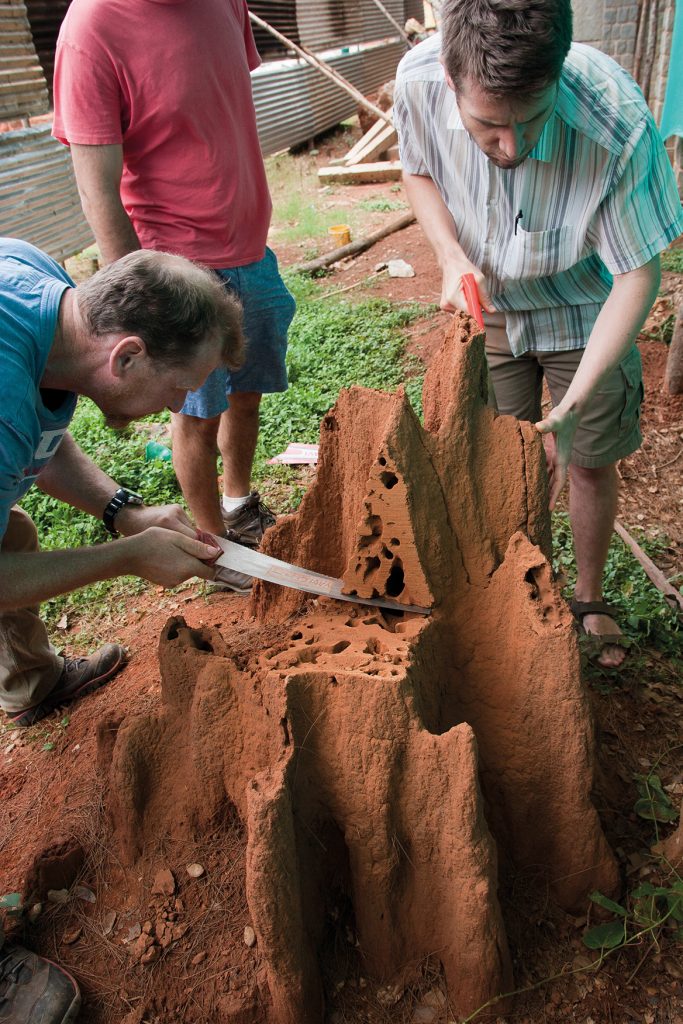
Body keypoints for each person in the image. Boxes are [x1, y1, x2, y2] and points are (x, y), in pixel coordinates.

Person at [394, 0, 683, 667]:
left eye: (533, 122)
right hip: (488, 308)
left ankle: (586, 598)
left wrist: (573, 403)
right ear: (448, 76)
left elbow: (636, 277)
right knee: (501, 459)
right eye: (488, 126)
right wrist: (449, 253)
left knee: (585, 458)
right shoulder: (414, 82)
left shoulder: (615, 124)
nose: (512, 148)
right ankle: (521, 589)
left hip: (587, 311)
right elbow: (417, 168)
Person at [52, 0, 296, 596]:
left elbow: (221, 111)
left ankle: (239, 504)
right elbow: (97, 190)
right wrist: (143, 302)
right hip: (178, 264)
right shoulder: (92, 30)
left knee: (247, 393)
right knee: (195, 410)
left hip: (250, 249)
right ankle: (215, 551)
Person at [0, 237, 243, 729]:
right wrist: (127, 556)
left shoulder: (40, 279)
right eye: (179, 386)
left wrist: (126, 512)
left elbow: (39, 434)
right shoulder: (4, 406)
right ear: (126, 356)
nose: (177, 407)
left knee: (10, 531)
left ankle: (32, 683)